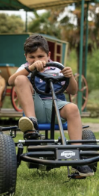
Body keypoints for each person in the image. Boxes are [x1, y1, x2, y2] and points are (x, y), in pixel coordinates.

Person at [9, 35, 89, 179]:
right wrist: (30, 68)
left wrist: (69, 77)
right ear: (26, 57)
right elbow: (11, 81)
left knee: (73, 108)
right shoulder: (25, 67)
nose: (37, 59)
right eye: (32, 57)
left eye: (41, 56)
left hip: (56, 105)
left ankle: (77, 155)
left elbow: (72, 91)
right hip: (35, 106)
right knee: (19, 79)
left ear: (48, 55)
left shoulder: (57, 67)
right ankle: (31, 124)